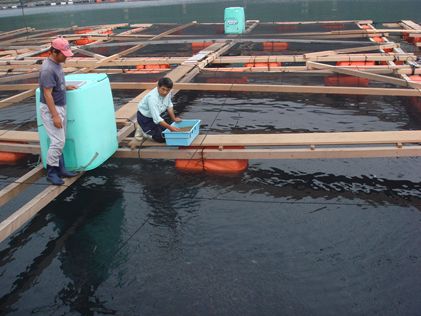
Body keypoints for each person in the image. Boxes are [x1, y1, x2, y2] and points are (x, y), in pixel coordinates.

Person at [39, 37, 78, 185]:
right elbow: (47, 93)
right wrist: (55, 115)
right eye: (64, 54)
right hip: (52, 109)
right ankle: (51, 172)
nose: (66, 57)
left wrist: (65, 86)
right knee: (58, 141)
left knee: (60, 140)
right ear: (54, 52)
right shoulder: (47, 69)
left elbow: (56, 84)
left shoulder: (57, 63)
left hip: (60, 105)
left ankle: (61, 168)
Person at [136, 77, 181, 143]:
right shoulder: (152, 98)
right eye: (163, 89)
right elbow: (157, 118)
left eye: (167, 90)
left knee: (166, 132)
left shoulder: (168, 93)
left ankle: (146, 130)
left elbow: (169, 105)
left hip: (154, 116)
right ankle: (144, 132)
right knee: (161, 138)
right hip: (144, 118)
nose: (165, 92)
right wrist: (170, 128)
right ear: (158, 87)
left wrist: (174, 118)